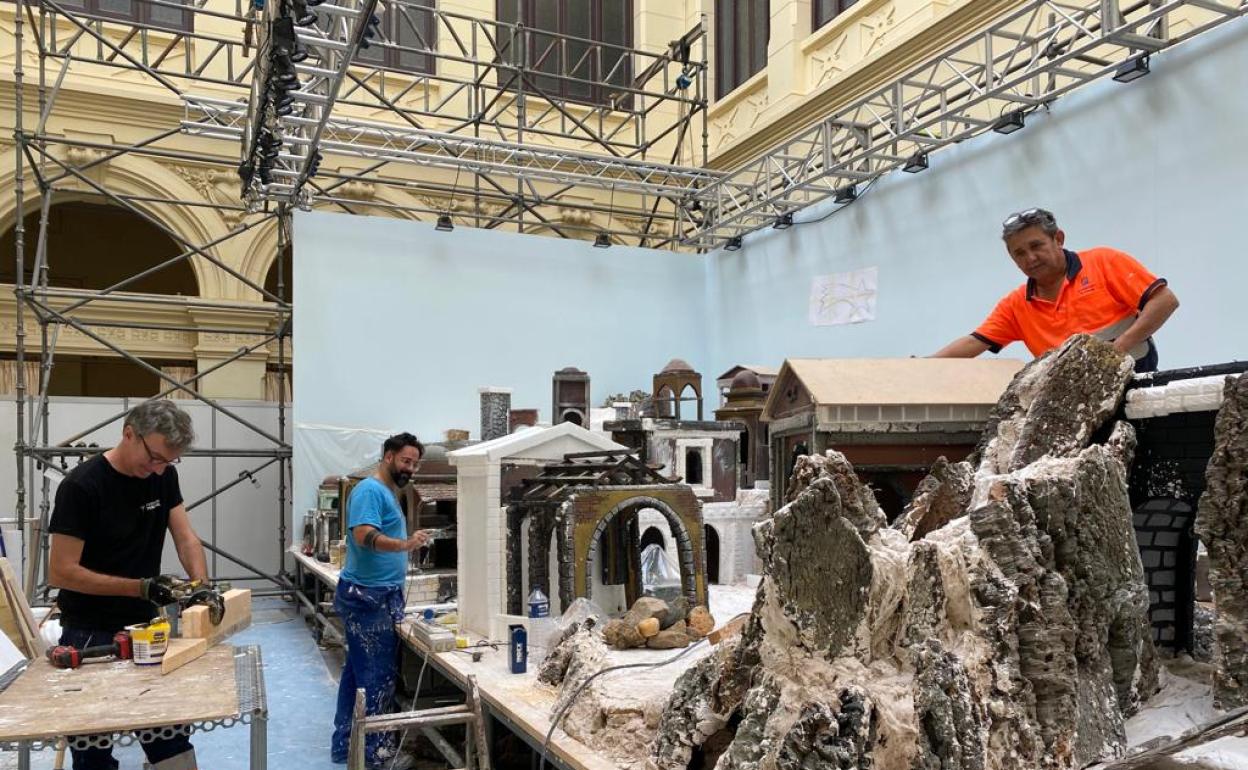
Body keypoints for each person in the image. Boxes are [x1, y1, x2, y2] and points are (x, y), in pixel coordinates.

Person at [48, 399, 208, 770]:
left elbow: (186, 538)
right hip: (89, 632)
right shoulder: (82, 487)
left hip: (146, 630)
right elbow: (62, 571)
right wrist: (141, 587)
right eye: (154, 457)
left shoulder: (162, 476)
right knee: (92, 746)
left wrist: (200, 585)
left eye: (168, 462)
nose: (158, 469)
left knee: (170, 738)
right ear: (128, 434)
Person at [933, 208, 1179, 371]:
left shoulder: (1103, 262)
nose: (1030, 258)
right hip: (1072, 401)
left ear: (1058, 239)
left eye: (1036, 246)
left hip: (1136, 383)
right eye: (1019, 253)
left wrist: (1117, 350)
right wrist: (920, 368)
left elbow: (1164, 301)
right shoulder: (1016, 305)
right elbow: (973, 342)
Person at [331, 432, 431, 770]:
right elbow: (364, 535)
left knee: (356, 674)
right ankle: (376, 755)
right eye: (406, 460)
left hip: (378, 593)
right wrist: (405, 545)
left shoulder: (387, 492)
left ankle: (345, 744)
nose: (410, 468)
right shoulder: (370, 490)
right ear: (388, 456)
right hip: (368, 597)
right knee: (376, 678)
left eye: (415, 463)